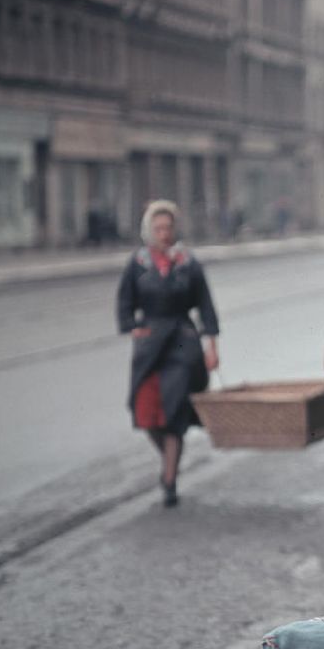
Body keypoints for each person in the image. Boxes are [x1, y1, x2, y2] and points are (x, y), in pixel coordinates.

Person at [116, 200, 219, 507]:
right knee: (146, 413)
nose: (163, 233)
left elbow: (206, 305)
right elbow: (124, 301)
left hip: (181, 344)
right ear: (149, 230)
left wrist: (212, 344)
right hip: (149, 347)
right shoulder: (138, 263)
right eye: (157, 228)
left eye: (168, 227)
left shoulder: (188, 262)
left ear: (175, 229)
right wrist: (132, 327)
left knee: (174, 413)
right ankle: (170, 461)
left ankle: (170, 478)